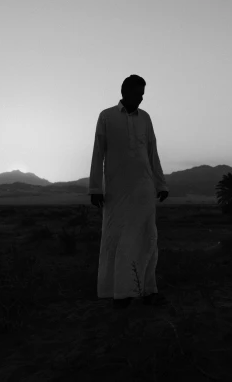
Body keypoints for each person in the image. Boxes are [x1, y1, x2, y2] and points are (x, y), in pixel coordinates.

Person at [88, 75, 170, 309]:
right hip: (116, 189)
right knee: (118, 239)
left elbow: (152, 152)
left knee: (147, 237)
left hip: (144, 188)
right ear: (124, 91)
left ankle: (146, 289)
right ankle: (119, 292)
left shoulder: (145, 119)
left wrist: (161, 183)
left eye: (143, 93)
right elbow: (98, 152)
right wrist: (95, 188)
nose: (141, 97)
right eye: (137, 92)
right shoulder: (106, 116)